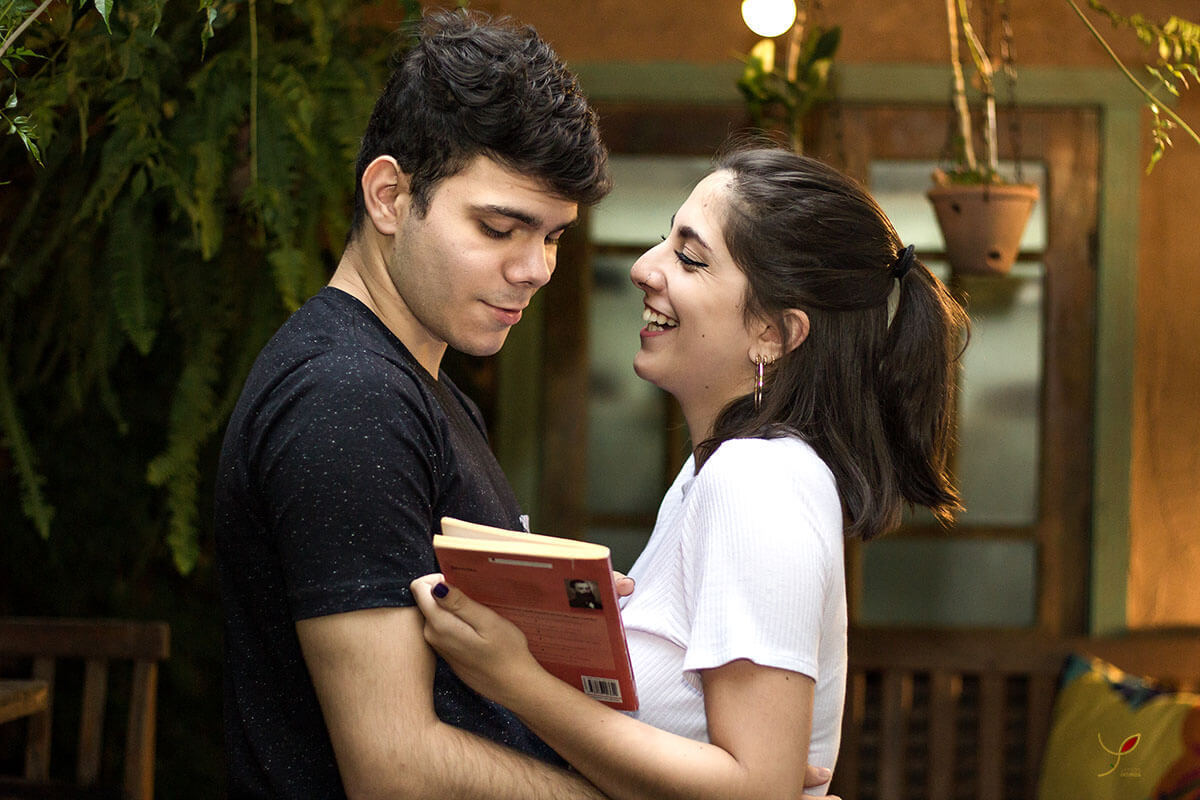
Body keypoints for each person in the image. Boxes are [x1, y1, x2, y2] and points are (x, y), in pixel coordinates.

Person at [411, 147, 969, 799]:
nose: (645, 268)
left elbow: (756, 789)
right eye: (665, 240)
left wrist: (515, 680)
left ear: (773, 333)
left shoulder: (756, 478)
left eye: (690, 258)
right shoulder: (711, 473)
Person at [212, 10, 616, 798]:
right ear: (391, 196)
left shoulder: (414, 386)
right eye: (499, 228)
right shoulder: (348, 396)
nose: (536, 268)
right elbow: (394, 767)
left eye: (553, 237)